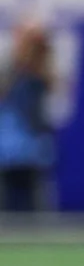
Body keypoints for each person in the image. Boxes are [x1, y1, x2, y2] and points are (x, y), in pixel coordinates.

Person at [0, 19, 58, 212]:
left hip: (32, 142)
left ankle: (40, 232)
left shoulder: (41, 68)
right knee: (6, 195)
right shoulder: (10, 67)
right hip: (8, 142)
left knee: (35, 195)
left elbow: (52, 83)